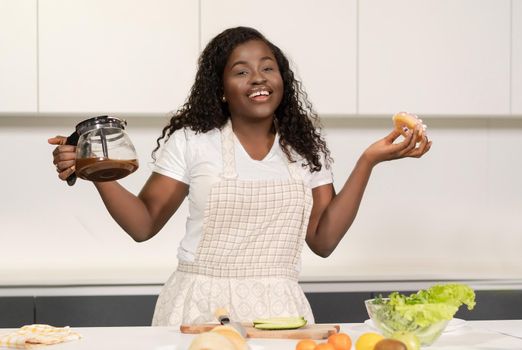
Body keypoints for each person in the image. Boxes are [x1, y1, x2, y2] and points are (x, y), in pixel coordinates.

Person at [49, 27, 431, 327]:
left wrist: (368, 161)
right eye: (241, 71)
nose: (258, 78)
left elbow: (324, 240)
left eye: (268, 67)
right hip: (199, 309)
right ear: (220, 89)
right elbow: (143, 224)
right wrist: (94, 170)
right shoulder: (192, 142)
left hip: (281, 312)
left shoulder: (304, 149)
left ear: (282, 79)